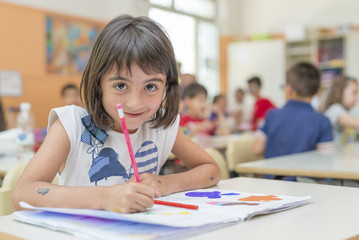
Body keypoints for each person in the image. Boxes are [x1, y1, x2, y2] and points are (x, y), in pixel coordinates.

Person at [13, 15, 221, 213]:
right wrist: (104, 198)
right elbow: (23, 195)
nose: (135, 102)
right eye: (121, 85)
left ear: (167, 87)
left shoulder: (159, 125)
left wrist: (163, 182)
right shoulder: (72, 125)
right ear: (98, 84)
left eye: (150, 87)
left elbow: (211, 169)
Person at [252, 62, 333, 163]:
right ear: (315, 91)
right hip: (305, 178)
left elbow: (257, 149)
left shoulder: (272, 115)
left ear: (289, 88)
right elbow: (326, 160)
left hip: (273, 177)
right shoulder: (322, 121)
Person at [322, 75, 359, 146]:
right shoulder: (335, 109)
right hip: (334, 155)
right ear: (339, 93)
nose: (357, 98)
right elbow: (356, 123)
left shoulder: (346, 112)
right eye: (354, 92)